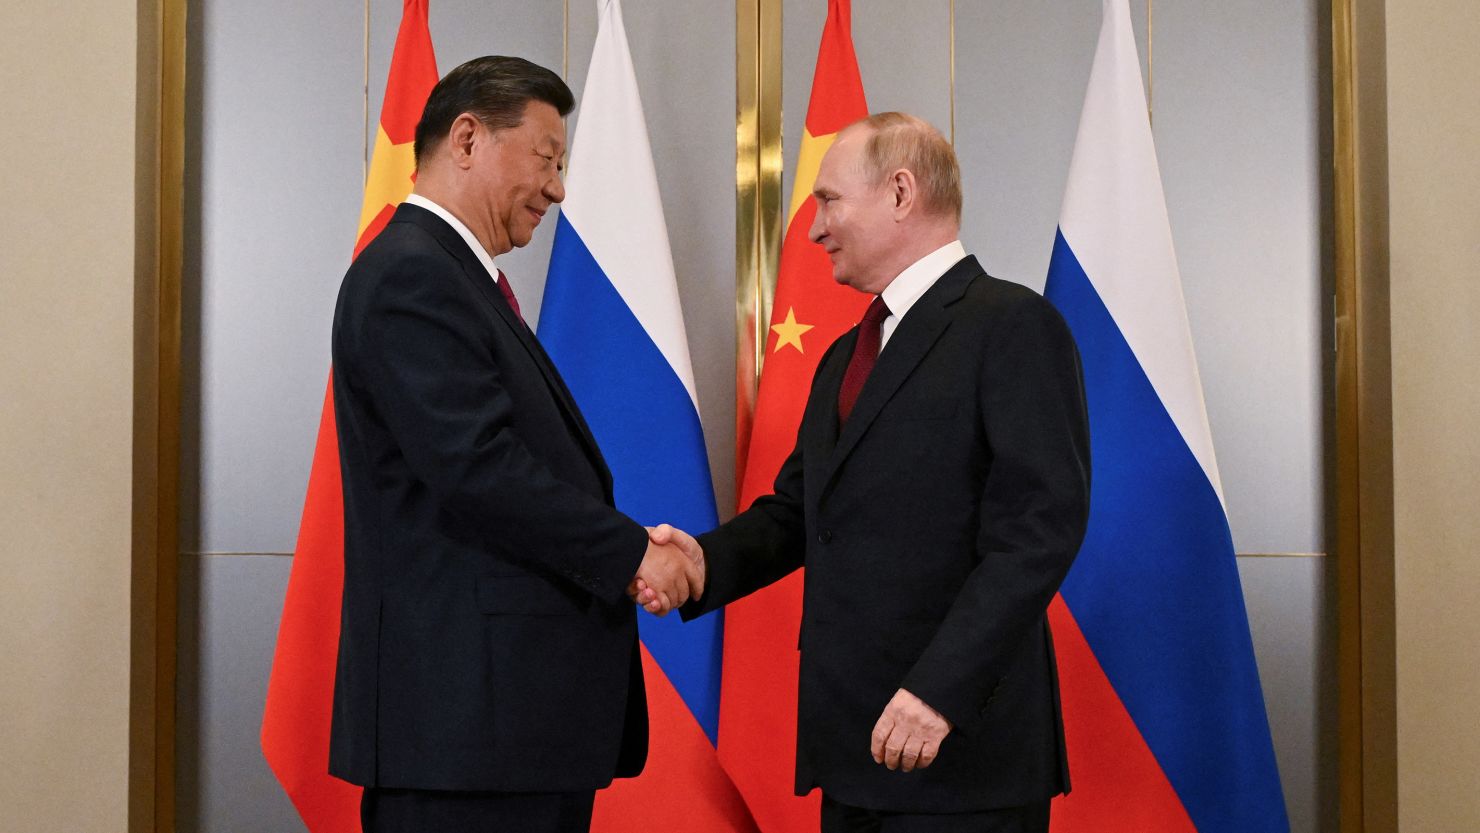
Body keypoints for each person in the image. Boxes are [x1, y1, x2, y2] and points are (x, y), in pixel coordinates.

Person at [642, 112, 1091, 833]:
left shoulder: (1011, 325)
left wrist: (938, 692)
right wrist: (702, 561)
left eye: (828, 201)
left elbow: (1039, 533)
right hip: (854, 745)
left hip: (959, 750)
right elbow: (800, 511)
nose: (815, 229)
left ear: (901, 192)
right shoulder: (844, 355)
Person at [329, 56, 701, 833]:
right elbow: (480, 470)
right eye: (546, 159)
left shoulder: (453, 277)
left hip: (500, 740)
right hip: (462, 743)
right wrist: (634, 553)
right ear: (466, 138)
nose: (558, 189)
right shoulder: (411, 276)